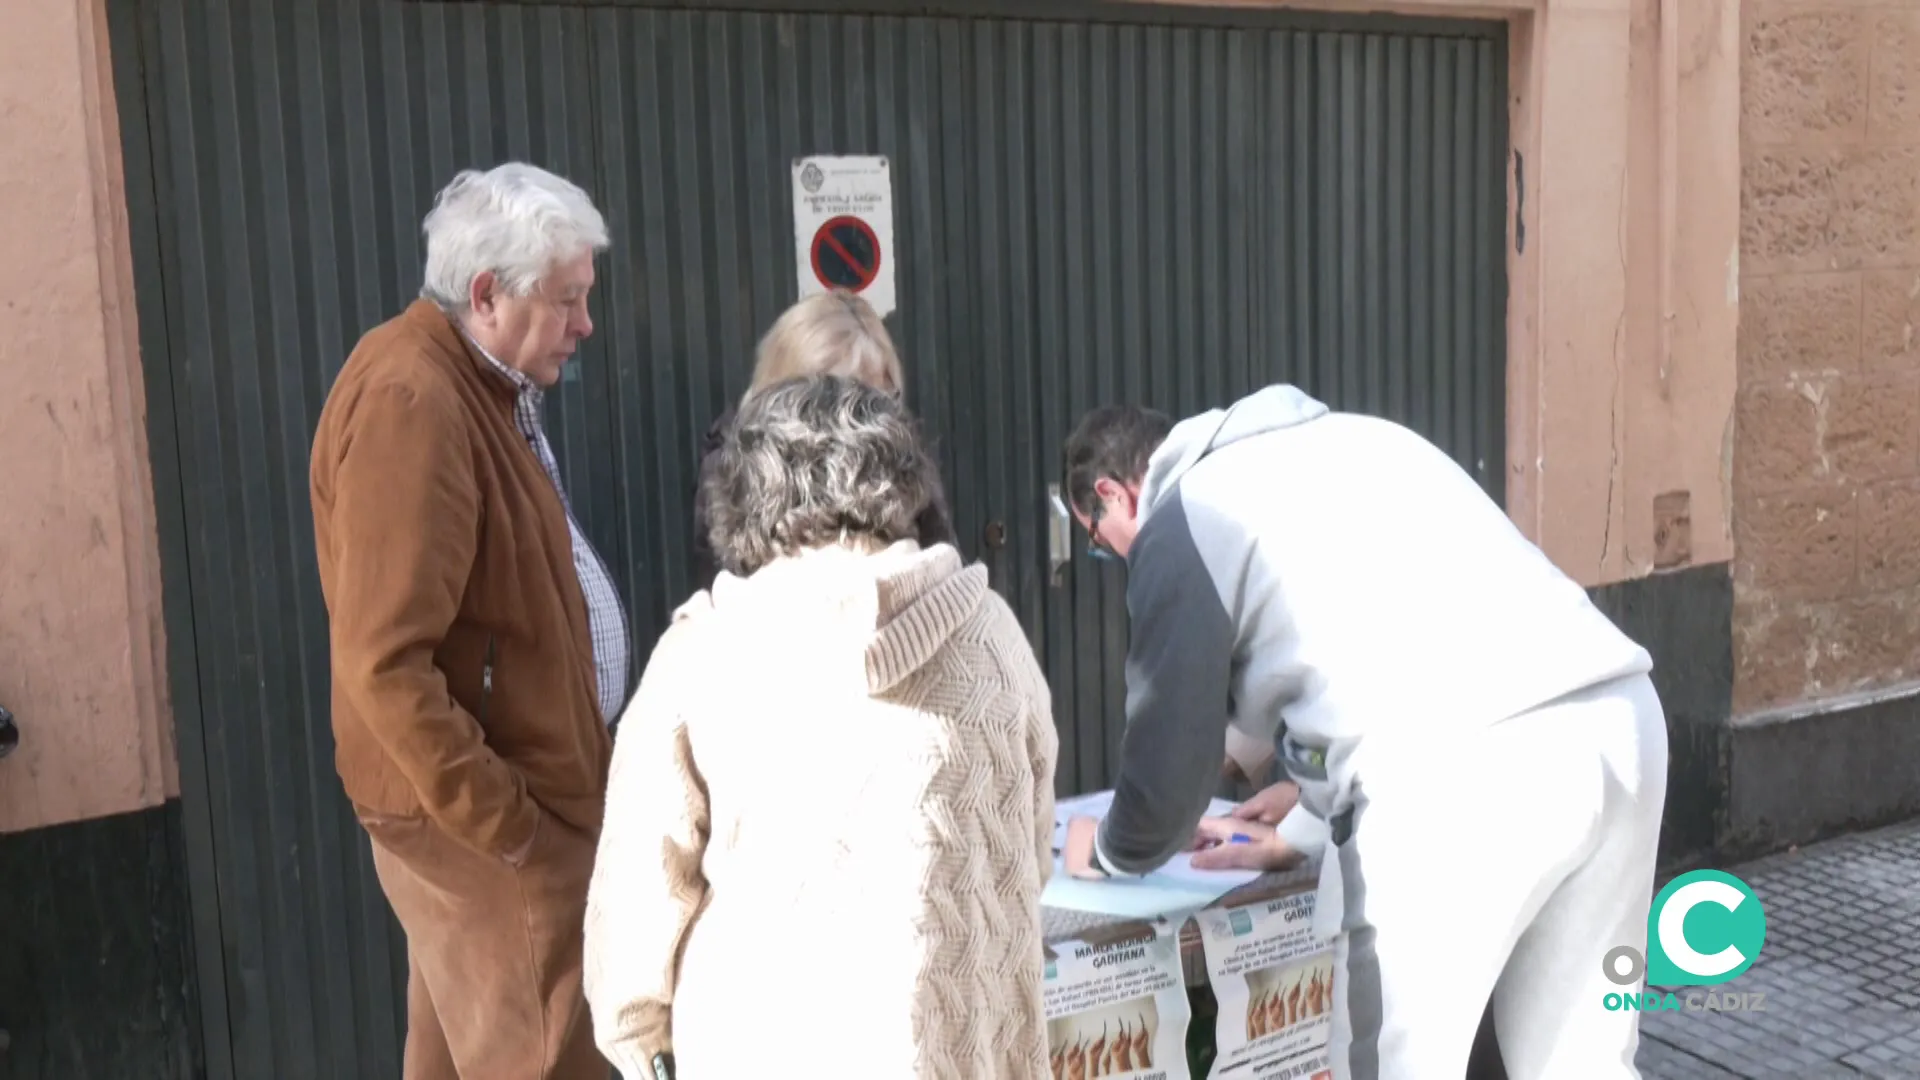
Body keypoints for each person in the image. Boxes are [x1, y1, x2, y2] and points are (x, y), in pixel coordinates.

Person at [1056, 385, 1668, 1079]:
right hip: (1619, 718)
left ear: (1114, 495)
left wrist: (1108, 851)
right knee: (1581, 1065)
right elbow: (1382, 660)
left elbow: (1170, 766)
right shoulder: (1357, 442)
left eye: (1099, 543)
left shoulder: (1181, 518)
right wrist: (1301, 827)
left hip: (1467, 773)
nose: (1113, 556)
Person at [584, 375, 1057, 1080]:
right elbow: (1028, 850)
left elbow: (635, 918)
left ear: (742, 499)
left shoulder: (703, 657)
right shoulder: (991, 636)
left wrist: (645, 1048)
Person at [309, 162, 627, 1080]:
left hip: (502, 811)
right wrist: (510, 826)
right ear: (487, 294)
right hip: (496, 822)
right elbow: (384, 662)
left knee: (456, 1056)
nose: (585, 325)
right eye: (567, 300)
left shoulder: (474, 382)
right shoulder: (416, 401)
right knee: (553, 1058)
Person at [687, 289, 955, 591]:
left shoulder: (904, 454)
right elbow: (725, 589)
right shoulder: (733, 471)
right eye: (840, 399)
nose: (862, 422)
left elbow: (943, 565)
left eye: (875, 398)